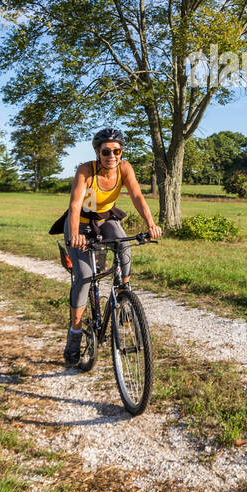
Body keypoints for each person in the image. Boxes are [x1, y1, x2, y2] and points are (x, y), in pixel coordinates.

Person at [63, 128, 162, 365]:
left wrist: (151, 224)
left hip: (106, 218)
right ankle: (75, 335)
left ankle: (124, 295)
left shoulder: (125, 168)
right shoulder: (87, 171)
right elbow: (76, 205)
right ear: (97, 152)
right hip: (81, 224)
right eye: (106, 151)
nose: (112, 155)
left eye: (116, 150)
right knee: (85, 277)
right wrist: (76, 234)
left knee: (124, 247)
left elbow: (137, 196)